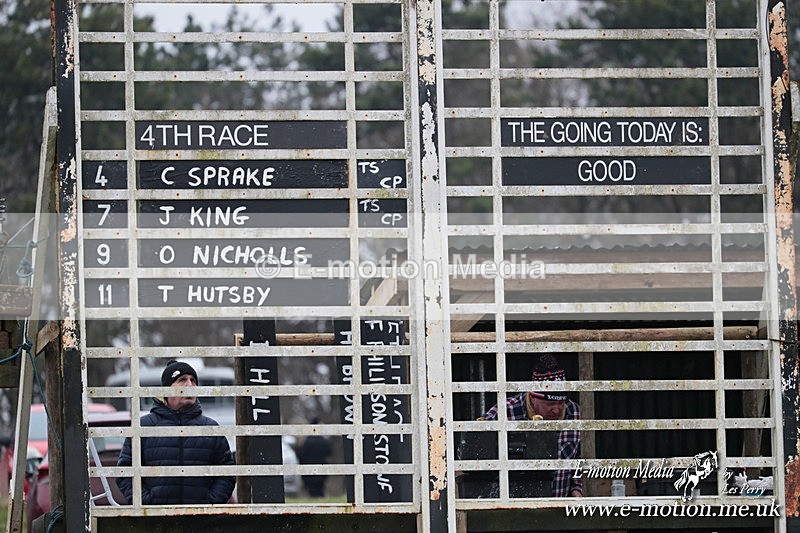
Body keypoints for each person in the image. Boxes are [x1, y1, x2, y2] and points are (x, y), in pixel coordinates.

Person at [117, 359, 235, 505]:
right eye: (182, 380)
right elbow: (125, 472)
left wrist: (210, 502)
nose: (190, 385)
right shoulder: (144, 426)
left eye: (193, 380)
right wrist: (146, 502)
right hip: (156, 523)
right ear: (166, 388)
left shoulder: (210, 428)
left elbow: (226, 473)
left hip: (201, 523)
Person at [481, 354, 583, 497]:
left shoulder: (575, 413)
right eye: (550, 404)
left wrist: (576, 488)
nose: (557, 409)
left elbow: (579, 457)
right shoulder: (504, 413)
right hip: (515, 510)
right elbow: (476, 451)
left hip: (559, 507)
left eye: (561, 402)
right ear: (533, 398)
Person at [296, 418, 333, 497]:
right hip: (322, 468)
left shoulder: (307, 441)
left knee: (312, 491)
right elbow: (329, 453)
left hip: (309, 470)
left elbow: (301, 455)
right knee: (320, 489)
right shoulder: (324, 441)